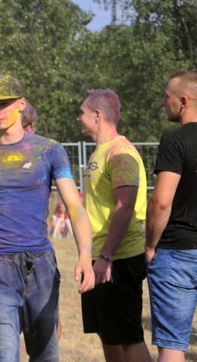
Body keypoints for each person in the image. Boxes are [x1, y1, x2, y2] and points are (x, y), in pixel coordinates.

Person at [0, 74, 94, 362]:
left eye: (4, 103)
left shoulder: (49, 150)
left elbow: (75, 207)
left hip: (40, 266)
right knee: (4, 356)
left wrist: (85, 255)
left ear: (21, 104)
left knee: (45, 355)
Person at [77, 89, 151, 362]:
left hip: (117, 258)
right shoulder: (101, 151)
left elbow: (125, 206)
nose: (78, 118)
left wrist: (106, 256)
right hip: (100, 257)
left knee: (129, 336)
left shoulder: (120, 152)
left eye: (82, 112)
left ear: (97, 115)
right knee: (109, 334)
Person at [146, 71, 197, 362]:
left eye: (167, 97)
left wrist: (151, 244)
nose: (164, 103)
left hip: (177, 253)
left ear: (183, 100)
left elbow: (161, 202)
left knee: (173, 345)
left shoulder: (175, 140)